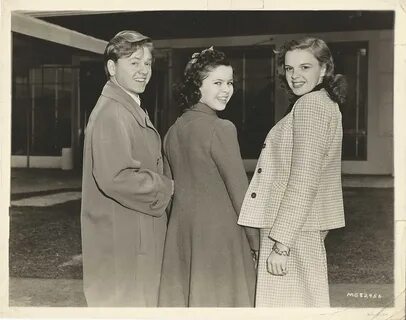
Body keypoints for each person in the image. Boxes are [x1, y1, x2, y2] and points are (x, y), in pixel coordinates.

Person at [238, 37, 347, 307]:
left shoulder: (311, 106)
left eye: (305, 67)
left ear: (324, 69)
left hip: (292, 230)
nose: (295, 76)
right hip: (302, 225)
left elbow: (304, 181)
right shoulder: (321, 103)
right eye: (289, 69)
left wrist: (281, 244)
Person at [158, 47, 259, 307]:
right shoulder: (221, 128)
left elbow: (169, 193)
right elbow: (240, 193)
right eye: (217, 82)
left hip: (182, 236)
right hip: (220, 238)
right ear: (196, 86)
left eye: (230, 83)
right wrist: (256, 242)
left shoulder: (172, 132)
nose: (226, 89)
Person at [81, 30, 174, 307]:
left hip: (133, 238)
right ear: (112, 67)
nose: (144, 70)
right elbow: (116, 177)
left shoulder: (127, 106)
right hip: (127, 245)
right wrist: (167, 186)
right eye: (134, 62)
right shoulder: (113, 112)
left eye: (147, 63)